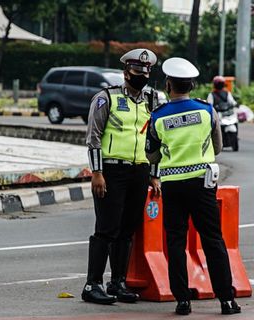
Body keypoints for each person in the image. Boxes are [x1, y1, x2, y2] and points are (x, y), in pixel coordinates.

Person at [145, 57, 242, 315]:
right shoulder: (205, 111)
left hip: (173, 187)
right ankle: (226, 300)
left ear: (168, 84)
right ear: (192, 85)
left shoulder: (158, 117)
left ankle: (182, 301)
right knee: (212, 239)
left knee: (175, 241)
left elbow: (151, 156)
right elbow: (218, 147)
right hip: (202, 184)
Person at [82, 48, 159, 305]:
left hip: (139, 171)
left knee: (127, 229)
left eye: (146, 72)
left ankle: (118, 282)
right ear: (126, 72)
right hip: (111, 172)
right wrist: (97, 173)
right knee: (107, 228)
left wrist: (154, 174)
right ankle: (92, 284)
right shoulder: (106, 98)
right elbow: (93, 138)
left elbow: (156, 142)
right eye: (138, 71)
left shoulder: (151, 100)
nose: (142, 76)